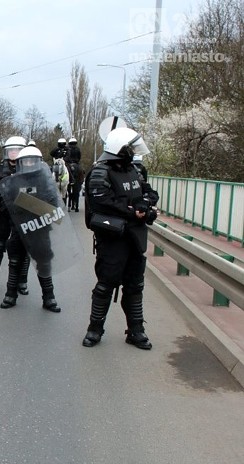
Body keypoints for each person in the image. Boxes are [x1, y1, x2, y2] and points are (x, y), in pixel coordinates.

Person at [82, 128, 158, 350]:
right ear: (120, 149)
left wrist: (145, 205)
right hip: (113, 238)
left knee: (135, 286)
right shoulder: (100, 172)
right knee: (106, 284)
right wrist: (132, 211)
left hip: (135, 236)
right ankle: (94, 329)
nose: (134, 152)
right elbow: (101, 203)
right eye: (130, 148)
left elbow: (150, 193)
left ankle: (136, 331)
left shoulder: (136, 170)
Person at [0, 146, 61, 313]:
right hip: (20, 229)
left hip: (40, 229)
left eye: (33, 160)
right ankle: (10, 295)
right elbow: (7, 205)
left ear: (38, 162)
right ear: (20, 163)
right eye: (26, 160)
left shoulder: (45, 181)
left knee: (44, 262)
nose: (29, 163)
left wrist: (31, 205)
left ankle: (49, 298)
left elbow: (54, 205)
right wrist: (23, 206)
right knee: (15, 261)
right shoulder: (13, 181)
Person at [0, 136, 30, 295]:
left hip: (22, 213)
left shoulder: (28, 167)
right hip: (3, 213)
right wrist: (1, 196)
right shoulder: (0, 169)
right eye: (11, 150)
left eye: (17, 150)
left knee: (24, 249)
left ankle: (22, 282)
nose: (13, 153)